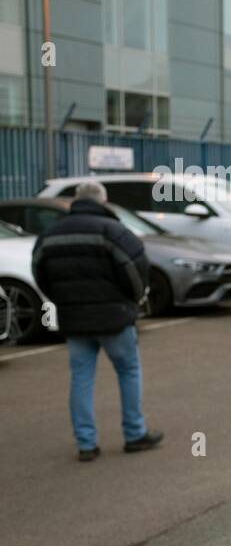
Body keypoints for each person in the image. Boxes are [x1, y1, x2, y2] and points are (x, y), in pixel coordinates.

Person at [31, 180, 163, 461]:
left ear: (75, 201)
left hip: (75, 319)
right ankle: (134, 433)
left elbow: (41, 274)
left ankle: (86, 444)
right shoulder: (113, 231)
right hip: (115, 318)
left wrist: (62, 301)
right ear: (103, 202)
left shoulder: (50, 235)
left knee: (81, 378)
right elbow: (137, 269)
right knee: (128, 371)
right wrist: (133, 301)